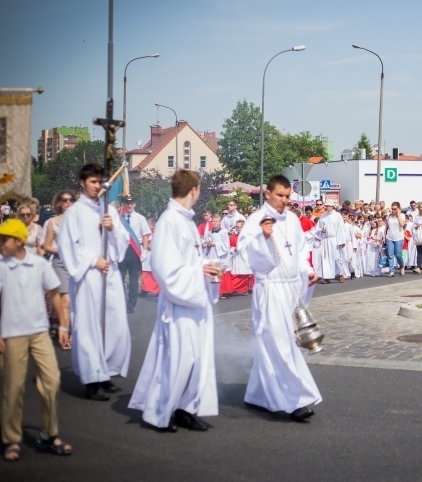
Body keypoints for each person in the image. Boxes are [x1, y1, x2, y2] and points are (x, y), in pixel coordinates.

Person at [129, 169, 222, 433]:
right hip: (179, 302)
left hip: (195, 300)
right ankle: (160, 411)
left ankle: (186, 408)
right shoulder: (170, 220)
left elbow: (189, 261)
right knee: (178, 359)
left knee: (197, 358)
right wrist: (198, 272)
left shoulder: (188, 222)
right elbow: (164, 267)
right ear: (194, 189)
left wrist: (206, 266)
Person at [237, 174, 321, 422]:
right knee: (278, 344)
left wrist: (307, 270)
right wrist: (262, 237)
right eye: (280, 196)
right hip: (271, 290)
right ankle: (296, 400)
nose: (284, 201)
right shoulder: (255, 220)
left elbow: (300, 250)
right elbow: (245, 252)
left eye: (287, 196)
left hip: (291, 289)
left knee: (282, 344)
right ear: (268, 193)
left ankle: (258, 394)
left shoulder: (293, 220)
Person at [0, 218, 73, 461]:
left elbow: (54, 293)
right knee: (14, 387)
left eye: (4, 239)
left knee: (51, 382)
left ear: (18, 241)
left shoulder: (39, 264)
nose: (0, 243)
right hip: (12, 334)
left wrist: (63, 325)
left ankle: (48, 436)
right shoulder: (1, 266)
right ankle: (12, 440)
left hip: (40, 333)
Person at [57, 163, 130, 401]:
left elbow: (123, 242)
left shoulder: (108, 210)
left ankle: (105, 372)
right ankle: (91, 379)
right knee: (89, 327)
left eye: (100, 182)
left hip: (110, 276)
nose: (97, 186)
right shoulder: (74, 213)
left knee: (112, 325)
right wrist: (92, 261)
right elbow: (68, 247)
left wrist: (113, 230)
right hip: (88, 276)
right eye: (93, 182)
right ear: (82, 183)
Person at [41, 190, 75, 348]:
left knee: (79, 301)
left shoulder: (79, 221)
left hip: (78, 263)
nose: (68, 203)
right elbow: (46, 246)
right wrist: (62, 249)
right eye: (64, 200)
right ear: (59, 203)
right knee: (66, 301)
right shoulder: (52, 222)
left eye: (70, 200)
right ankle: (65, 335)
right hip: (60, 263)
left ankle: (77, 334)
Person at [118, 195, 152, 314]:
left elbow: (145, 235)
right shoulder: (119, 218)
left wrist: (145, 251)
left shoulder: (140, 218)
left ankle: (130, 305)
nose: (130, 205)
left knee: (133, 279)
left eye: (132, 203)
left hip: (134, 250)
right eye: (127, 203)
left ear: (135, 204)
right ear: (124, 204)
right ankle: (121, 303)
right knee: (119, 279)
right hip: (122, 250)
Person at [314, 200, 347, 284]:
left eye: (328, 206)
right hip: (325, 239)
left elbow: (341, 228)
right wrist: (322, 230)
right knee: (325, 258)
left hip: (334, 239)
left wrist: (341, 241)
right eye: (326, 206)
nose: (326, 207)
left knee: (337, 257)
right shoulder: (323, 216)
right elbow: (318, 227)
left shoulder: (337, 215)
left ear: (332, 206)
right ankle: (327, 277)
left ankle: (341, 274)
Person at [384, 202, 406, 277]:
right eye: (392, 209)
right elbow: (386, 227)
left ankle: (402, 266)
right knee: (390, 255)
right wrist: (384, 236)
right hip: (389, 237)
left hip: (399, 237)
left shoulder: (402, 216)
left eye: (395, 209)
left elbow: (402, 224)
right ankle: (391, 270)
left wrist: (398, 215)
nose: (393, 210)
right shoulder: (388, 216)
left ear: (398, 209)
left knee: (398, 254)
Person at [140, 218, 160, 295]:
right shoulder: (146, 235)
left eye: (149, 225)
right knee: (145, 273)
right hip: (146, 256)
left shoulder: (158, 234)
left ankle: (157, 290)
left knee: (154, 274)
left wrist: (152, 246)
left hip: (153, 256)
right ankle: (144, 289)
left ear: (153, 226)